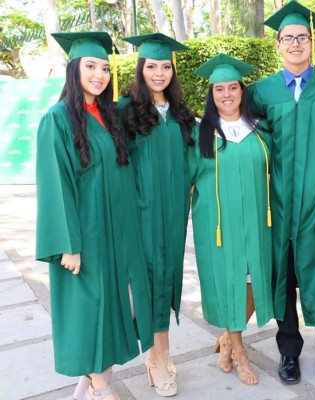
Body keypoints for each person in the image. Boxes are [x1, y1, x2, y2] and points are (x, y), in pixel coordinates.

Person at [35, 32, 153, 400]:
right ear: (73, 70)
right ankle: (102, 388)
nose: (100, 75)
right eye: (90, 66)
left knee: (124, 307)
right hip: (85, 237)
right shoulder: (57, 119)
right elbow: (55, 187)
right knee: (93, 313)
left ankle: (89, 381)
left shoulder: (107, 115)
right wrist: (67, 245)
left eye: (104, 67)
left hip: (119, 234)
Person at [249, 0, 315, 384]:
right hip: (278, 207)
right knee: (283, 280)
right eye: (287, 38)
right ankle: (288, 354)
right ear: (277, 45)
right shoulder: (261, 91)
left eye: (301, 37)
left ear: (311, 41)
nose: (295, 44)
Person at [189, 53, 274, 386]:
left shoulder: (260, 130)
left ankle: (227, 338)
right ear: (211, 95)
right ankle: (239, 351)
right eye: (219, 89)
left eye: (233, 87)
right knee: (229, 284)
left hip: (257, 220)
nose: (227, 94)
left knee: (252, 282)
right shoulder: (200, 135)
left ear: (243, 91)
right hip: (219, 225)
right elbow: (186, 178)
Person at [119, 33, 196, 397]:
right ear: (141, 68)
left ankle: (161, 352)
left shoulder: (182, 116)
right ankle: (157, 358)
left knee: (165, 282)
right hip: (141, 215)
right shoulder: (124, 111)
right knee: (148, 284)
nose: (159, 73)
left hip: (174, 217)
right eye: (152, 66)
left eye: (166, 66)